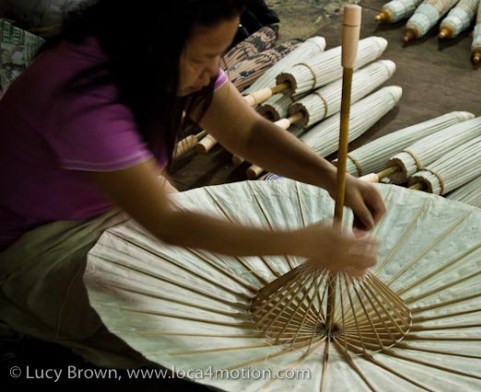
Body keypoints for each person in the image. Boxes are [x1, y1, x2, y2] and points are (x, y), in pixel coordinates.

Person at [0, 0, 386, 368]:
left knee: (222, 284)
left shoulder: (153, 56)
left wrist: (334, 179)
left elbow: (247, 132)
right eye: (202, 58)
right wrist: (301, 242)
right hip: (40, 245)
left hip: (115, 205)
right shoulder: (83, 98)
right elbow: (170, 225)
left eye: (217, 55)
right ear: (153, 42)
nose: (212, 71)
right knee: (192, 330)